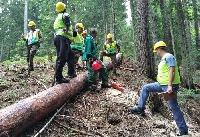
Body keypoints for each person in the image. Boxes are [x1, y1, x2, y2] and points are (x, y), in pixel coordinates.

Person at [128, 41, 188, 136]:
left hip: (168, 86)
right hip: (161, 84)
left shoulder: (168, 57)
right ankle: (140, 108)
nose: (156, 53)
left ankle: (183, 130)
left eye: (156, 51)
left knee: (174, 107)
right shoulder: (164, 58)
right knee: (145, 88)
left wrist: (169, 86)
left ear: (159, 49)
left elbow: (172, 72)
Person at [53, 2, 76, 84]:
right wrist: (67, 27)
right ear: (64, 8)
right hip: (62, 38)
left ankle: (71, 73)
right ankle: (59, 78)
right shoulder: (65, 15)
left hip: (61, 38)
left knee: (70, 55)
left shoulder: (58, 17)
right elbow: (67, 22)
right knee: (62, 57)